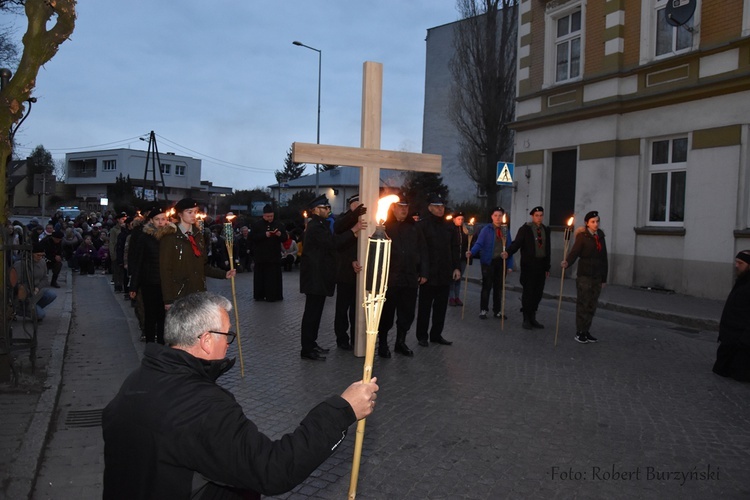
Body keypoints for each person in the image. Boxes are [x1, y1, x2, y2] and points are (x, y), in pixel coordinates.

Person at [102, 291, 379, 499]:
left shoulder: (137, 379)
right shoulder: (203, 405)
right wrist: (343, 410)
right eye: (227, 335)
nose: (229, 343)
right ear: (207, 341)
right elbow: (273, 469)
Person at [300, 194, 366, 360]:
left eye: (328, 207)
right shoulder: (315, 227)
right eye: (325, 208)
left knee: (315, 314)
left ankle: (312, 344)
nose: (328, 210)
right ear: (315, 210)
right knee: (311, 315)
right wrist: (354, 230)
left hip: (319, 278)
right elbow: (333, 243)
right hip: (315, 278)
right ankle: (307, 349)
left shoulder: (319, 225)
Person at [159, 198, 236, 309]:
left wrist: (224, 274)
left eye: (195, 212)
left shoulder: (198, 236)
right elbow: (165, 270)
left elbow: (203, 266)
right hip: (180, 294)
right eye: (189, 212)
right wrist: (168, 299)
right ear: (180, 214)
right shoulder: (170, 237)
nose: (193, 215)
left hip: (198, 293)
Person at [377, 195, 428, 358]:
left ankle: (400, 342)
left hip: (409, 278)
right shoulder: (385, 227)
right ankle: (383, 344)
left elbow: (423, 250)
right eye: (400, 206)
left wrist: (423, 272)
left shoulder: (414, 227)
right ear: (393, 208)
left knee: (407, 313)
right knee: (386, 314)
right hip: (390, 279)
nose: (404, 210)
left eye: (406, 207)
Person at [416, 194, 461, 347]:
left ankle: (436, 334)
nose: (440, 209)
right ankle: (422, 336)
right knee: (424, 308)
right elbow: (420, 251)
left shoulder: (449, 226)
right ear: (430, 208)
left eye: (442, 206)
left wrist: (456, 267)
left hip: (445, 272)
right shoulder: (422, 225)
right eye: (436, 206)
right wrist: (421, 272)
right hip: (428, 274)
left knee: (441, 308)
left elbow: (455, 248)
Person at [561, 211, 608, 344]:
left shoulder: (600, 236)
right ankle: (580, 331)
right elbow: (574, 252)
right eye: (593, 222)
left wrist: (604, 278)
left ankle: (587, 330)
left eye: (597, 221)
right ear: (587, 223)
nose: (596, 224)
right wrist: (567, 262)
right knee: (583, 303)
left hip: (597, 276)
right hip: (585, 276)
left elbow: (604, 258)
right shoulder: (582, 237)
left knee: (592, 305)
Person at [502, 206, 551, 330]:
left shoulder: (545, 229)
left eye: (541, 215)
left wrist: (547, 267)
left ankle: (533, 316)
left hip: (541, 266)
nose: (539, 218)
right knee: (528, 293)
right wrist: (508, 252)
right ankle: (526, 318)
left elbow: (547, 249)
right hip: (529, 266)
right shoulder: (525, 229)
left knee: (538, 293)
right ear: (532, 216)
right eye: (537, 215)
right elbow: (517, 243)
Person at [129, 206, 169, 344]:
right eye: (157, 219)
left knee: (163, 317)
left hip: (166, 283)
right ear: (151, 220)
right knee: (150, 315)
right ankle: (151, 345)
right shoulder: (144, 238)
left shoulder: (170, 237)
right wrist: (133, 286)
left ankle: (162, 345)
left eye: (163, 219)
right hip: (149, 282)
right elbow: (138, 262)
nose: (160, 222)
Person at [467, 207, 514, 320]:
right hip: (488, 262)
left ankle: (497, 310)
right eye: (495, 215)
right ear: (492, 217)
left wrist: (510, 264)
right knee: (486, 286)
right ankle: (483, 310)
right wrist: (471, 252)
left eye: (500, 215)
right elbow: (479, 243)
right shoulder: (486, 229)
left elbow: (510, 248)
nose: (498, 218)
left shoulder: (505, 230)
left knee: (498, 288)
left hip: (501, 262)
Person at [333, 194, 367, 350]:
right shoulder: (344, 219)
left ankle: (357, 338)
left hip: (362, 272)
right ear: (351, 205)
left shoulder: (367, 218)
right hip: (345, 271)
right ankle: (342, 338)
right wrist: (354, 217)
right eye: (357, 204)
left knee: (358, 308)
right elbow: (339, 233)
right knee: (342, 308)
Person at [712, 250, 750, 381]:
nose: (736, 265)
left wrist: (743, 341)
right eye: (736, 262)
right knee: (720, 370)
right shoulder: (741, 281)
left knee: (739, 375)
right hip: (729, 340)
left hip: (741, 344)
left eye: (741, 263)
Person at [10, 240, 57, 321]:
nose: (40, 257)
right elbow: (15, 283)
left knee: (51, 294)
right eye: (38, 255)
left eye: (42, 255)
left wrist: (38, 288)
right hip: (25, 296)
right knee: (40, 315)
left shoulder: (42, 262)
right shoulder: (20, 264)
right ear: (30, 254)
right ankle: (22, 310)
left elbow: (45, 278)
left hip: (36, 292)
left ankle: (33, 308)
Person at [250, 204, 287, 301]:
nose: (270, 218)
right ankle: (260, 295)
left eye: (271, 216)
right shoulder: (256, 225)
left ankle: (274, 296)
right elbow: (252, 238)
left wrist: (279, 234)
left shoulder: (279, 224)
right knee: (260, 277)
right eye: (268, 216)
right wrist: (264, 235)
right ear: (263, 215)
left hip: (274, 256)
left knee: (273, 278)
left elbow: (285, 238)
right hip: (261, 256)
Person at [448, 211, 469, 307]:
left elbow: (469, 243)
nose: (460, 221)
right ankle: (451, 297)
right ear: (454, 220)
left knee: (459, 278)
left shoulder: (465, 231)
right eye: (458, 219)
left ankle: (457, 296)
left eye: (462, 219)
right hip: (452, 258)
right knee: (452, 278)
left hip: (462, 258)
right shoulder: (451, 230)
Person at [109, 212, 127, 291]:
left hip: (124, 252)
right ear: (118, 220)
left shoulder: (126, 229)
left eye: (125, 219)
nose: (124, 221)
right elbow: (112, 243)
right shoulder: (114, 230)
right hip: (117, 252)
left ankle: (123, 285)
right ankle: (118, 285)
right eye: (122, 219)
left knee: (123, 271)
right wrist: (113, 254)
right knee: (117, 271)